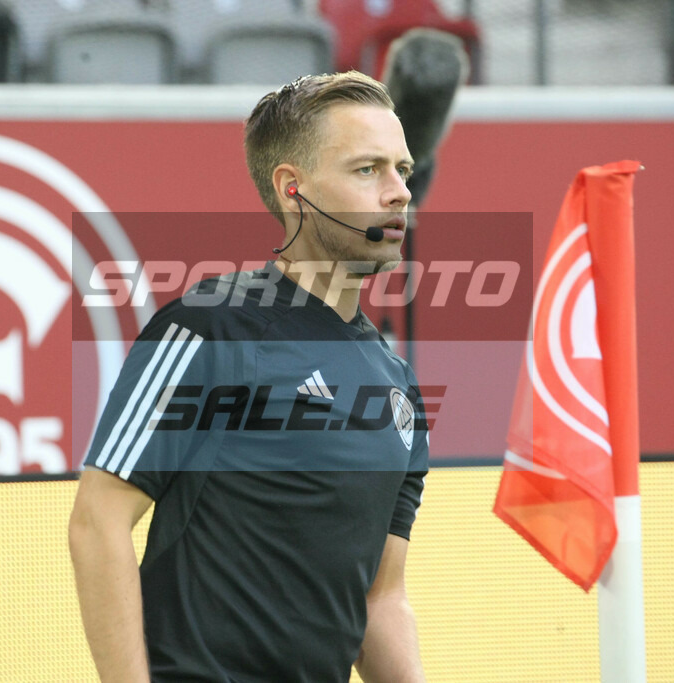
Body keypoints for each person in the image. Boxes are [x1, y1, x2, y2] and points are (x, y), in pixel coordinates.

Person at [69, 71, 429, 682]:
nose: (397, 193)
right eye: (367, 170)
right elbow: (97, 523)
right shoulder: (212, 328)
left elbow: (381, 600)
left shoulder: (397, 386)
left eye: (402, 170)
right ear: (294, 189)